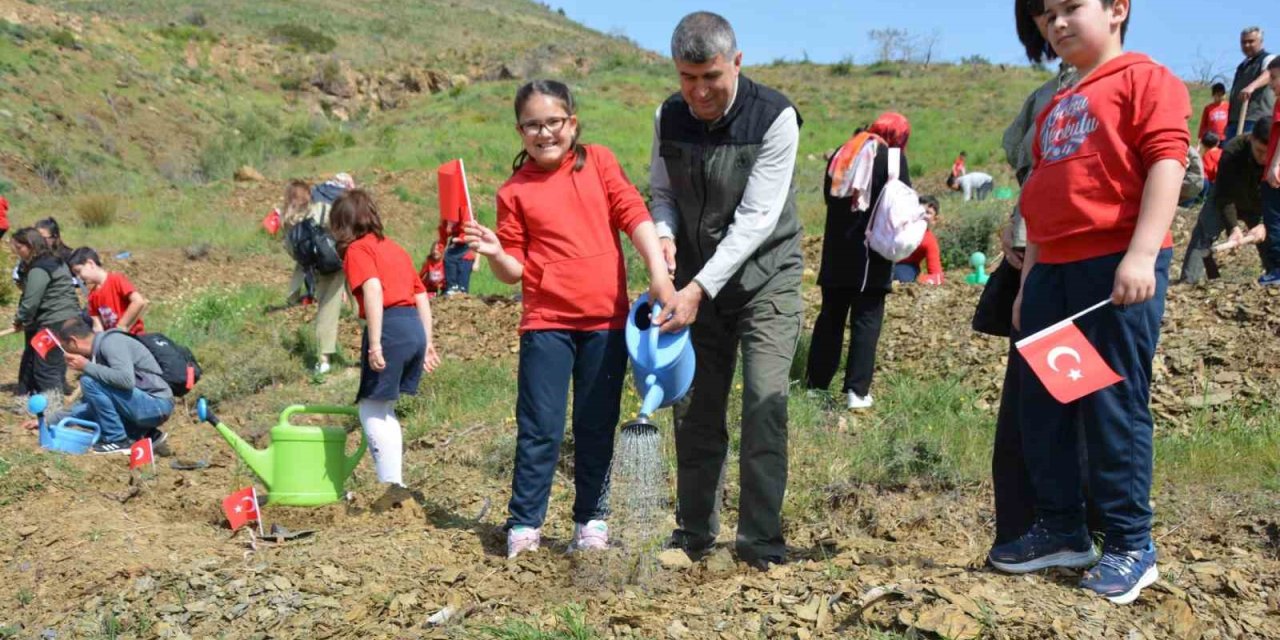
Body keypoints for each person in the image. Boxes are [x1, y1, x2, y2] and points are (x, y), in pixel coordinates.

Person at [991, 0, 1191, 606]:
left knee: (1111, 406)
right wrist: (1028, 282)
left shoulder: (1146, 79)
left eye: (1071, 7)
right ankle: (1062, 529)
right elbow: (1048, 194)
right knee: (1048, 404)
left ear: (1117, 9)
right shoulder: (1057, 100)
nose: (1055, 23)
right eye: (1047, 14)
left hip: (1113, 267)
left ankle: (1132, 543)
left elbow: (1167, 161)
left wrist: (1141, 252)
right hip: (1053, 269)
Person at [465, 79, 673, 559]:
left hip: (605, 321)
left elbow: (634, 214)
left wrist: (658, 276)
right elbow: (512, 270)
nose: (544, 133)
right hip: (546, 323)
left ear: (572, 123)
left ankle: (591, 521)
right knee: (540, 426)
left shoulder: (598, 161)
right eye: (533, 125)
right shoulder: (513, 191)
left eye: (553, 122)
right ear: (520, 131)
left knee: (596, 424)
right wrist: (496, 251)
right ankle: (525, 524)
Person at [648, 12, 804, 570]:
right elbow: (660, 193)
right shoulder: (669, 115)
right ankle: (693, 533)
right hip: (694, 282)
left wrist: (698, 287)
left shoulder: (776, 117)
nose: (698, 91)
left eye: (710, 76)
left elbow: (758, 219)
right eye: (687, 77)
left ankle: (760, 541)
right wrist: (664, 237)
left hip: (765, 280)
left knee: (764, 404)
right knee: (693, 407)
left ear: (736, 63)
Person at [329, 189, 440, 491]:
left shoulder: (358, 250)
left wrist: (375, 342)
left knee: (371, 408)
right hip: (413, 327)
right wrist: (427, 342)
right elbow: (421, 295)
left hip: (390, 327)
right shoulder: (395, 248)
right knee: (385, 407)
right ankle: (394, 483)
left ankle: (390, 485)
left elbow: (374, 289)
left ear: (342, 225)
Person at [806, 112, 912, 411]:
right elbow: (902, 202)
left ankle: (816, 385)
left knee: (830, 318)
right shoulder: (892, 158)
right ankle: (857, 391)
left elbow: (830, 199)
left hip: (836, 250)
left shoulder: (842, 153)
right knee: (866, 321)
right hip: (871, 254)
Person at [54, 317, 173, 455]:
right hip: (144, 404)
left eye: (65, 348)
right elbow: (88, 405)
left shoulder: (111, 342)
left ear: (73, 342)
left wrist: (86, 366)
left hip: (156, 404)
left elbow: (126, 380)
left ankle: (117, 440)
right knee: (91, 407)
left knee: (88, 381)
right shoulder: (98, 353)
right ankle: (145, 435)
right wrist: (49, 421)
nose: (66, 355)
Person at [1180, 118, 1273, 283]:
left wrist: (1265, 223)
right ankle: (1193, 280)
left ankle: (1272, 276)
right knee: (1205, 234)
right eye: (1259, 151)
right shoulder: (1233, 150)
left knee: (1272, 238)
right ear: (1251, 139)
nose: (1264, 158)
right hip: (1227, 195)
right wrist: (1233, 228)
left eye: (1269, 153)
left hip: (1261, 201)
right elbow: (1225, 195)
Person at [11, 229, 80, 398]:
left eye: (19, 247)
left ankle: (53, 412)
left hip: (54, 322)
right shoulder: (56, 261)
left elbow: (31, 301)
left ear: (31, 246)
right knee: (50, 364)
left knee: (46, 369)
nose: (16, 251)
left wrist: (20, 320)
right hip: (69, 318)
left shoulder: (39, 269)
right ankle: (34, 401)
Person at [307, 174, 353, 375]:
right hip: (347, 256)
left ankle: (322, 359)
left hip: (323, 261)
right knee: (364, 301)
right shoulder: (344, 200)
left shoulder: (314, 197)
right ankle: (378, 347)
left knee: (326, 308)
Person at [67, 248, 148, 335]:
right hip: (114, 339)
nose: (78, 277)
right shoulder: (92, 296)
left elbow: (138, 301)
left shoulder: (115, 280)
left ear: (90, 264)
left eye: (78, 271)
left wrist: (121, 327)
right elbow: (97, 326)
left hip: (134, 336)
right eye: (75, 275)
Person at [1226, 27, 1276, 140]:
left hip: (1255, 119)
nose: (1247, 45)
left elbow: (1269, 73)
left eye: (1251, 41)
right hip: (1235, 120)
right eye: (1243, 42)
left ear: (1260, 42)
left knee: (1249, 153)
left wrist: (1251, 87)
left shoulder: (1268, 58)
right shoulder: (1242, 65)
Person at [1260, 58, 1280, 285]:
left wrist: (1275, 165)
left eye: (1274, 78)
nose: (1271, 84)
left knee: (1274, 221)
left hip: (1275, 175)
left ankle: (1277, 269)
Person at [279, 179, 314, 304]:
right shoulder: (303, 213)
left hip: (294, 248)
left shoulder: (286, 213)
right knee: (312, 267)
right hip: (304, 247)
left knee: (302, 267)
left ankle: (293, 296)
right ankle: (314, 293)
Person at [893, 196, 943, 285]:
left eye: (928, 213)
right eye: (920, 210)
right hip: (884, 262)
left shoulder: (929, 241)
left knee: (902, 277)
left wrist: (921, 280)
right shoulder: (899, 225)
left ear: (934, 219)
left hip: (905, 266)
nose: (922, 215)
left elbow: (937, 275)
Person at [439, 218, 477, 295]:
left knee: (462, 286)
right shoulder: (448, 220)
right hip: (454, 251)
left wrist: (477, 261)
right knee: (451, 285)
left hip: (466, 256)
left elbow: (477, 241)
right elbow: (443, 235)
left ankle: (462, 296)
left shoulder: (469, 220)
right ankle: (451, 292)